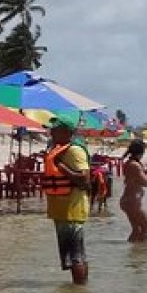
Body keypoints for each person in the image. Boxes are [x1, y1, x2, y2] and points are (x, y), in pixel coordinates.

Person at [43, 118, 91, 284]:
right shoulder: (58, 150)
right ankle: (79, 291)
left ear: (67, 132)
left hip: (72, 209)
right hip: (62, 211)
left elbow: (85, 180)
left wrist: (61, 167)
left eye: (55, 130)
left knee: (75, 256)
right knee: (75, 256)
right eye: (52, 130)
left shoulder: (74, 151)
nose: (52, 133)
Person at [119, 139, 147, 243]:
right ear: (141, 152)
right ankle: (142, 254)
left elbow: (137, 176)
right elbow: (145, 182)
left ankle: (134, 254)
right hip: (132, 202)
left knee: (137, 229)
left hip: (128, 201)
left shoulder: (131, 163)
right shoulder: (134, 165)